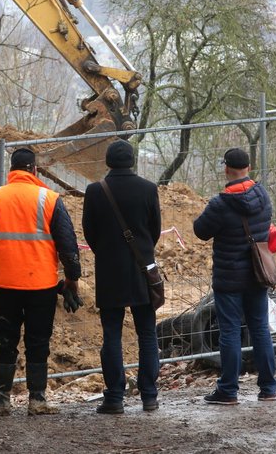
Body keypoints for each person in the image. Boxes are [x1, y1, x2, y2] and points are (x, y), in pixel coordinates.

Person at [0, 148, 82, 416]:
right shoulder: (49, 198)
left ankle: (0, 401)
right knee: (38, 341)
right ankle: (37, 400)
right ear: (33, 169)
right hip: (41, 286)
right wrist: (71, 280)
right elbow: (68, 247)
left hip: (5, 284)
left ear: (12, 169)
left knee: (4, 339)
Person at [82, 139, 162, 414]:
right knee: (147, 334)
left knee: (112, 335)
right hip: (142, 271)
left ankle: (115, 397)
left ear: (108, 161)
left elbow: (89, 231)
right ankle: (149, 396)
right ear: (132, 160)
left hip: (109, 272)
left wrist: (106, 253)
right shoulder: (149, 189)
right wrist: (141, 250)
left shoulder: (94, 191)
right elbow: (154, 230)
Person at [192, 147, 276, 405]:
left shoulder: (220, 203)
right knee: (260, 328)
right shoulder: (262, 194)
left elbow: (200, 230)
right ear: (249, 168)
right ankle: (268, 387)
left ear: (227, 169)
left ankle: (228, 391)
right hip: (257, 273)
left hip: (229, 278)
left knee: (229, 331)